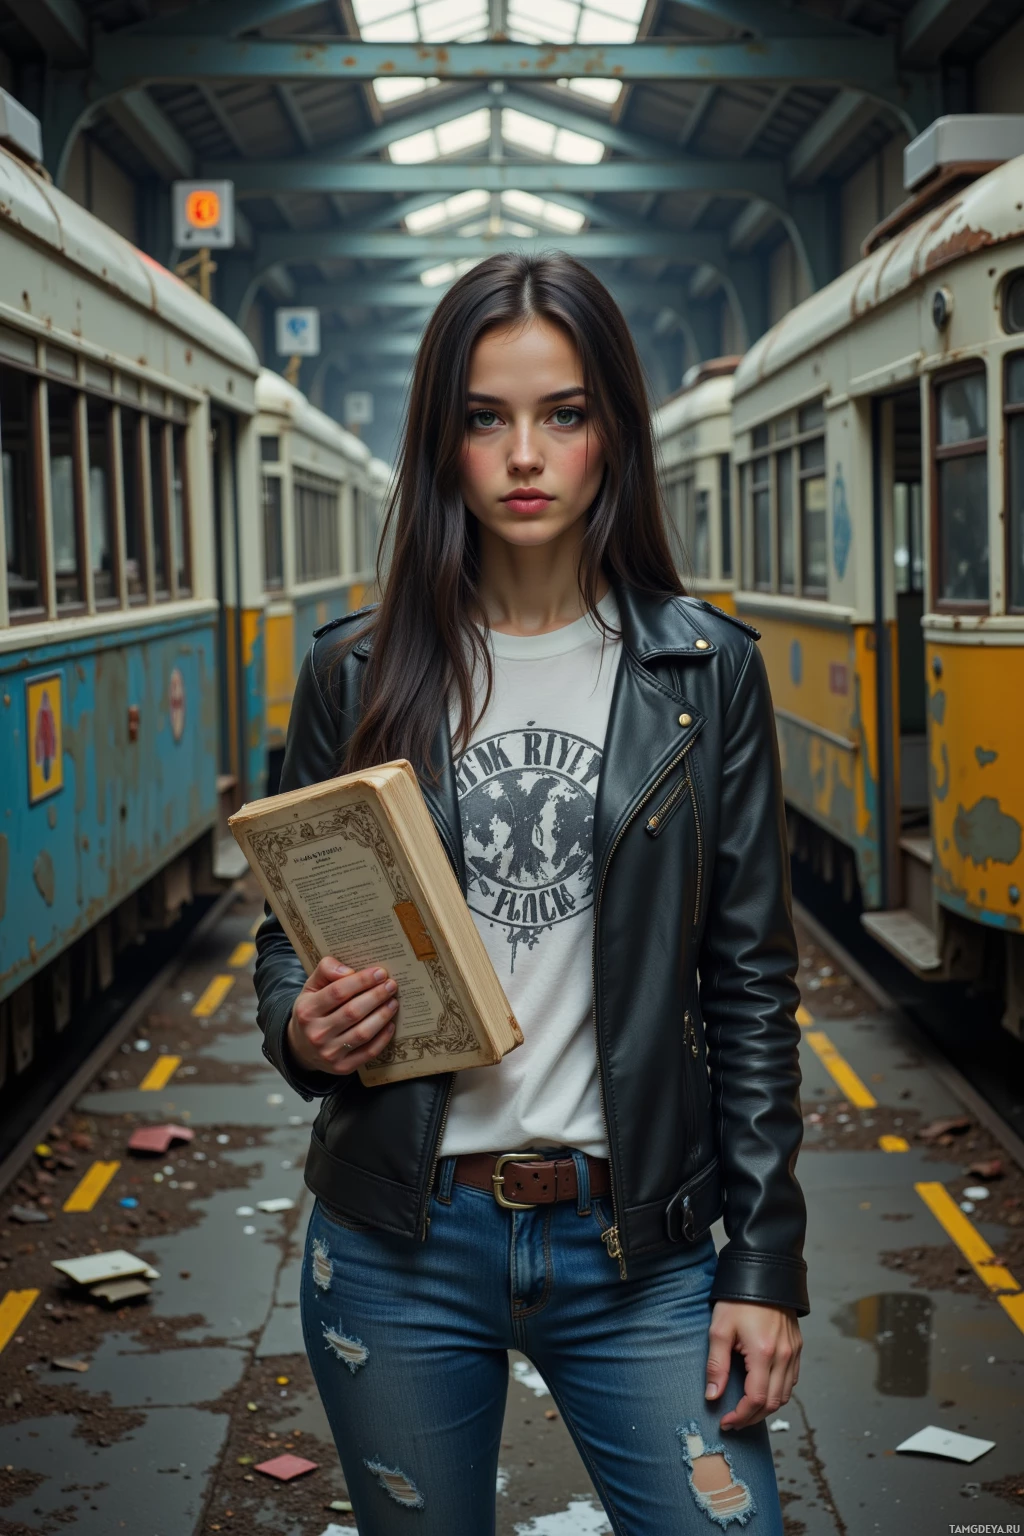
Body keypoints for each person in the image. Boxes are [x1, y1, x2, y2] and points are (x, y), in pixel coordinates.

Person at [254, 251, 807, 1535]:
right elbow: (289, 938)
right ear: (438, 442)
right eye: (482, 417)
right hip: (397, 1242)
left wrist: (762, 1260)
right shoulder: (353, 674)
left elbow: (750, 985)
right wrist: (302, 1028)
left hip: (638, 1249)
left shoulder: (704, 672)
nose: (523, 455)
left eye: (562, 414)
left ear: (614, 432)